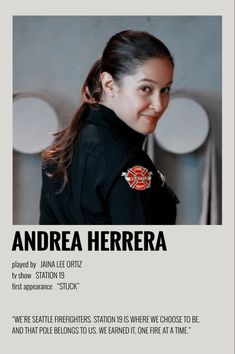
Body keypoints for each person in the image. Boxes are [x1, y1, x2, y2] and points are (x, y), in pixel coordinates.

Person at [39, 29, 179, 225]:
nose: (159, 104)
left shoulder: (63, 147)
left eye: (165, 90)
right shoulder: (128, 164)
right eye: (145, 88)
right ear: (110, 84)